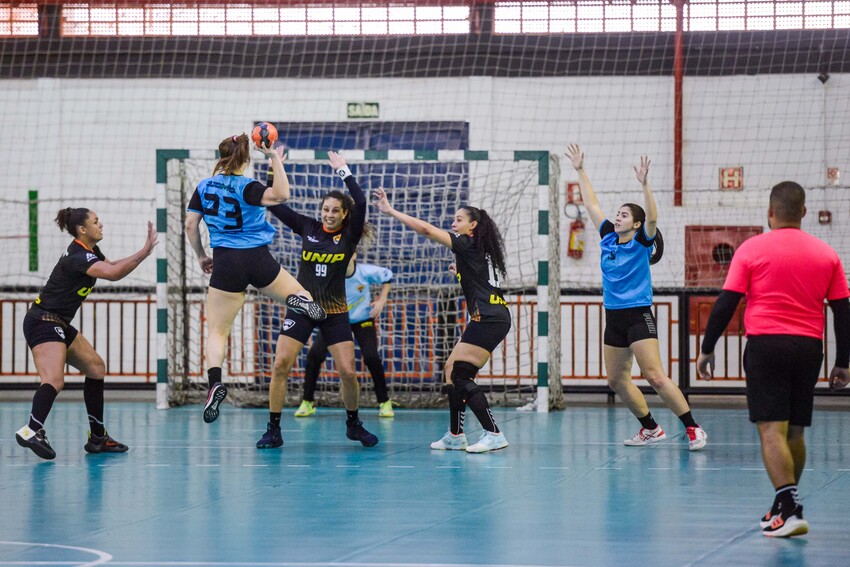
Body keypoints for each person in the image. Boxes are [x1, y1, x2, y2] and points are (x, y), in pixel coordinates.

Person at [697, 181, 849, 538]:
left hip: (767, 346)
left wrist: (707, 348)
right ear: (804, 213)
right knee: (794, 431)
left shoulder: (751, 249)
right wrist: (843, 361)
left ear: (770, 212)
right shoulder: (827, 253)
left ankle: (789, 509)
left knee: (770, 431)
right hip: (809, 349)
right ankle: (786, 505)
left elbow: (726, 302)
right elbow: (843, 311)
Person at [565, 144, 707, 451]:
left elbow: (653, 217)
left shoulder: (643, 241)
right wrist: (580, 170)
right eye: (618, 213)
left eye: (625, 214)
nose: (617, 217)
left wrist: (644, 185)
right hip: (613, 316)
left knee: (655, 376)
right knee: (616, 382)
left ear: (637, 224)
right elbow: (591, 205)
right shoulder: (607, 237)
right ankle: (650, 428)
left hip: (638, 314)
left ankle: (693, 427)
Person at [185, 133, 326, 425]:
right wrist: (274, 157)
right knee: (302, 295)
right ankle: (297, 301)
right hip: (257, 258)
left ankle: (215, 383)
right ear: (247, 158)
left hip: (225, 261)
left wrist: (201, 255)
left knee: (217, 331)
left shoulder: (203, 186)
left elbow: (190, 224)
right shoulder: (248, 187)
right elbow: (281, 195)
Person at [372, 187, 511, 453]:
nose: (453, 222)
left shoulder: (467, 243)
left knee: (460, 373)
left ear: (473, 225)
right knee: (451, 370)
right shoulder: (477, 249)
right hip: (492, 316)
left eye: (459, 219)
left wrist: (391, 211)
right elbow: (479, 276)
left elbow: (425, 230)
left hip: (489, 318)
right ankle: (455, 435)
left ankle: (493, 432)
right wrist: (460, 271)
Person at [257, 150, 379, 449]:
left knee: (348, 372)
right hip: (301, 306)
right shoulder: (308, 227)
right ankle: (273, 429)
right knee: (281, 365)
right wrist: (275, 163)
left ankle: (353, 423)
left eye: (335, 210)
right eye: (325, 209)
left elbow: (361, 202)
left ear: (344, 214)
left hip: (335, 311)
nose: (329, 214)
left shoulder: (348, 236)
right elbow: (273, 203)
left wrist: (343, 170)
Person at [15, 208, 158, 460]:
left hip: (58, 321)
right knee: (54, 380)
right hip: (43, 321)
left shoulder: (90, 253)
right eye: (95, 222)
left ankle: (98, 438)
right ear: (82, 229)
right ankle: (32, 430)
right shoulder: (77, 256)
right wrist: (145, 253)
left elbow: (110, 266)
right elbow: (113, 274)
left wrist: (141, 251)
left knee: (95, 367)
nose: (100, 225)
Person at [295, 252, 397, 418]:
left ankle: (384, 402)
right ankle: (307, 402)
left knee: (371, 357)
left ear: (354, 255)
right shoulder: (330, 275)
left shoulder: (365, 272)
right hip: (335, 321)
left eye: (347, 255)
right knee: (315, 355)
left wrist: (381, 300)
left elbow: (388, 277)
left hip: (362, 320)